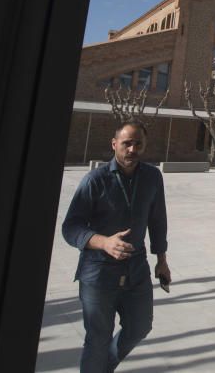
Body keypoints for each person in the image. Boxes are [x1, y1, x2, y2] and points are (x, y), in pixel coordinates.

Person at [62, 120, 171, 373]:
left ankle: (102, 367)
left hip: (136, 269)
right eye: (126, 144)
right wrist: (103, 242)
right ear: (114, 145)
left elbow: (158, 220)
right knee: (98, 338)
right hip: (99, 273)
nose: (132, 149)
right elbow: (71, 227)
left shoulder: (153, 177)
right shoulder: (95, 180)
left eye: (138, 144)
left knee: (140, 327)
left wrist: (162, 260)